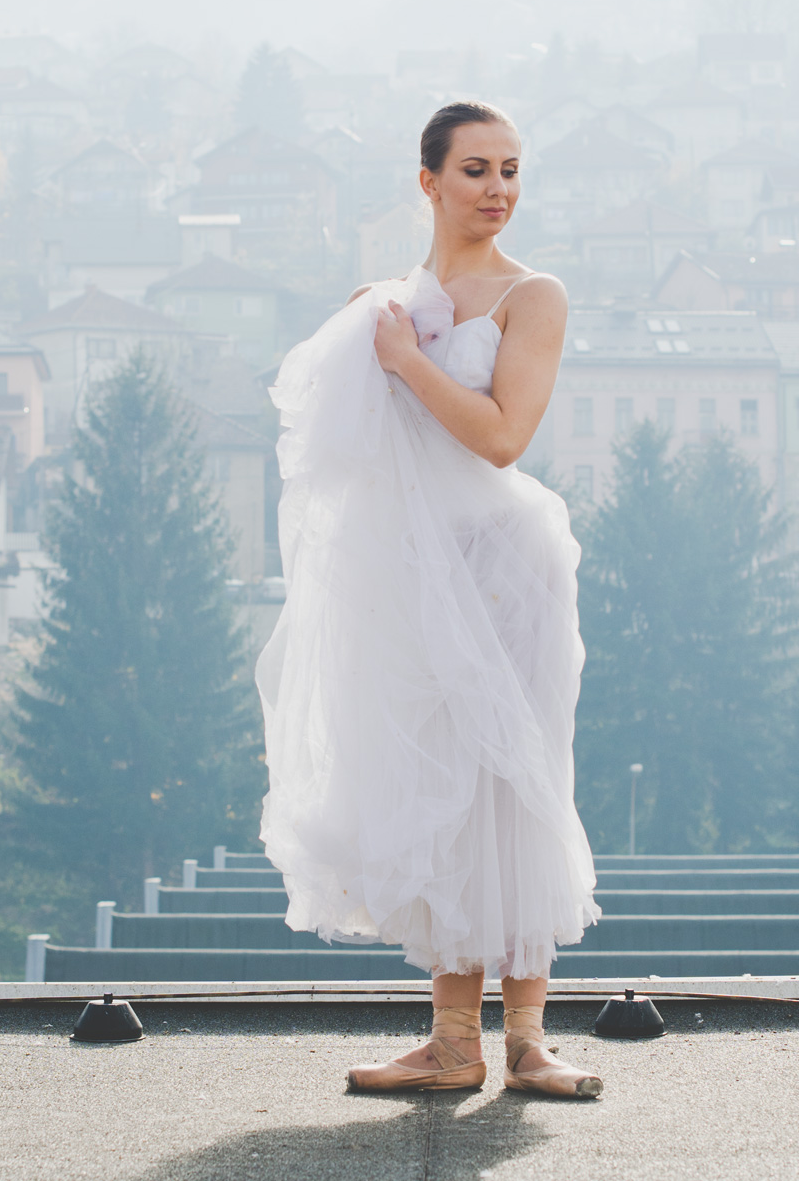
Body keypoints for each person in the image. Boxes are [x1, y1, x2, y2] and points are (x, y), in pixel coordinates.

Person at [256, 101, 603, 1098]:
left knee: (519, 773)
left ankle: (529, 1039)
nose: (497, 190)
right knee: (443, 787)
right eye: (476, 171)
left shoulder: (531, 296)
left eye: (511, 171)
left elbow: (502, 438)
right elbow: (340, 457)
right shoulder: (382, 300)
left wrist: (407, 363)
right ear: (429, 183)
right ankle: (454, 1042)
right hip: (419, 578)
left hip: (507, 563)